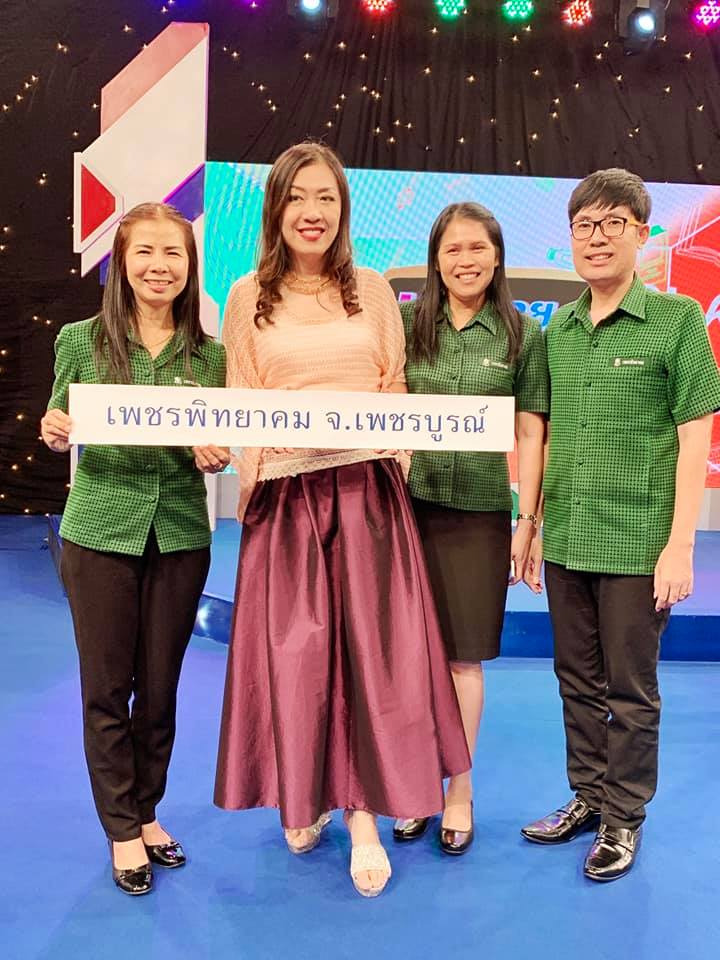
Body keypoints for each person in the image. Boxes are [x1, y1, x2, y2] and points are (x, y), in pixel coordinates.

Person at [214, 142, 470, 898]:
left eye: (325, 197)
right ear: (276, 209)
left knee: (368, 661)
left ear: (343, 209)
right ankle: (305, 797)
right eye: (297, 197)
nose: (312, 212)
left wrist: (392, 463)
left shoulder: (373, 290)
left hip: (366, 499)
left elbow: (394, 388)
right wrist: (252, 473)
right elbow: (240, 398)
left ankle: (363, 820)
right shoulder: (245, 297)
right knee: (298, 661)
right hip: (287, 503)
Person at [521, 169, 720, 881]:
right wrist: (531, 524)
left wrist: (680, 546)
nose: (597, 238)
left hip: (640, 544)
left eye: (613, 224)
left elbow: (695, 439)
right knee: (576, 680)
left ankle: (623, 818)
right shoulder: (559, 331)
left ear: (641, 233)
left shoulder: (677, 321)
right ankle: (588, 796)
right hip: (568, 538)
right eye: (584, 226)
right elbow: (543, 434)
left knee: (631, 691)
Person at [41, 202, 228, 896]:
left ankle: (147, 812)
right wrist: (54, 429)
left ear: (189, 265)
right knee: (106, 688)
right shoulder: (79, 341)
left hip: (179, 533)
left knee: (160, 688)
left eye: (173, 253)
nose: (159, 266)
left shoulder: (211, 356)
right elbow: (59, 419)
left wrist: (218, 452)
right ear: (121, 262)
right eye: (144, 251)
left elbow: (222, 435)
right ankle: (121, 828)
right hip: (99, 533)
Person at [394, 203, 548, 854]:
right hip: (406, 511)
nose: (465, 260)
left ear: (497, 255)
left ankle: (458, 789)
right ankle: (414, 786)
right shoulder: (405, 325)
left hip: (481, 515)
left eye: (477, 248)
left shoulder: (521, 333)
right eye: (452, 249)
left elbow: (531, 432)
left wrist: (527, 520)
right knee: (407, 656)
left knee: (463, 658)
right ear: (436, 259)